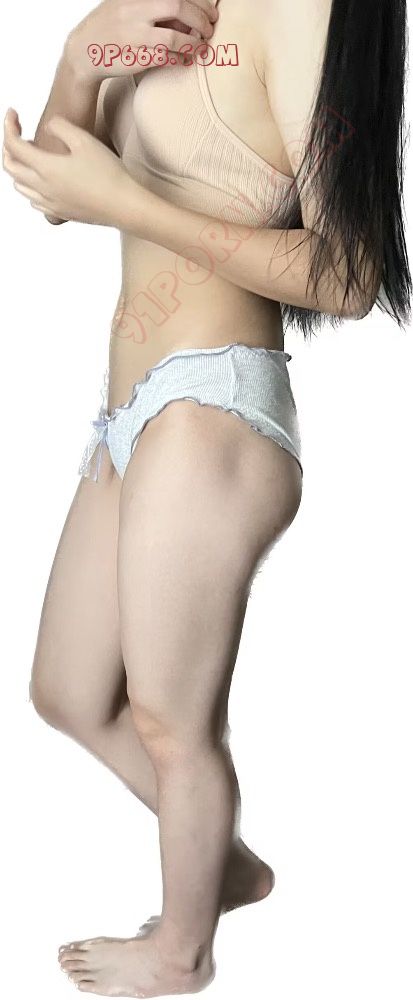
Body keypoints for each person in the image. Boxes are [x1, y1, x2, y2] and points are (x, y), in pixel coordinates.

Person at [2, 0, 411, 996]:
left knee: (170, 720)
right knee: (67, 691)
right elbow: (58, 188)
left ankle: (181, 953)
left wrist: (128, 203)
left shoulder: (302, 10)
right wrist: (78, 59)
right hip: (130, 406)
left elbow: (348, 272)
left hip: (210, 399)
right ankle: (219, 861)